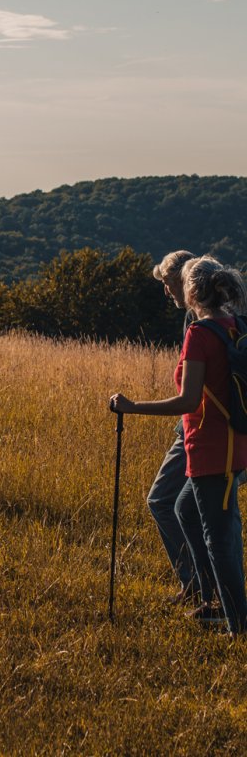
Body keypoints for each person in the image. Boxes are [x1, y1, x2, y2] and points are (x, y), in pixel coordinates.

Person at [110, 255, 247, 639]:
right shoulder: (234, 325)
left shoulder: (200, 333)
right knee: (184, 508)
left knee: (218, 539)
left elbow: (188, 401)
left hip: (211, 448)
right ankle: (213, 601)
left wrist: (133, 407)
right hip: (233, 443)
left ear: (191, 291)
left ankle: (237, 624)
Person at [148, 251, 197, 604]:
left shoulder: (199, 320)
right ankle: (203, 587)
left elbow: (191, 396)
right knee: (196, 510)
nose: (167, 293)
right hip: (206, 428)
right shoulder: (217, 314)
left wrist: (134, 407)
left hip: (198, 429)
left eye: (167, 284)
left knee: (163, 500)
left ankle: (196, 585)